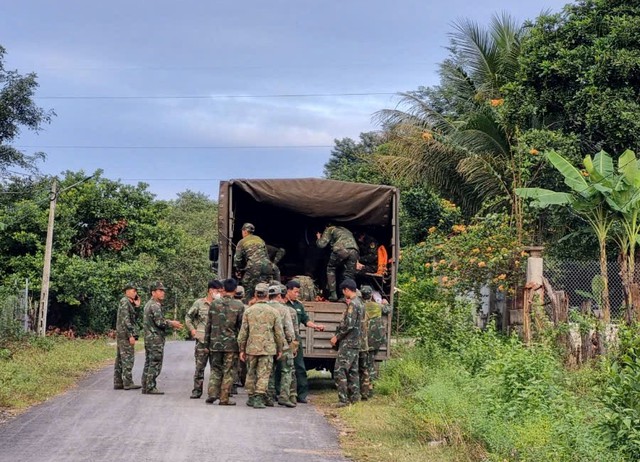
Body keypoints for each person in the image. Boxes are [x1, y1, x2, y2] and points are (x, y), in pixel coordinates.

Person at [237, 282, 285, 409]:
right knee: (264, 374)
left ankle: (251, 397)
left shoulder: (248, 311)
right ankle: (259, 398)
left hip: (251, 348)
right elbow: (278, 333)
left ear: (255, 294)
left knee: (251, 372)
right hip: (267, 349)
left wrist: (241, 349)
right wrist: (280, 348)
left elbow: (243, 332)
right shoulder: (274, 312)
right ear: (268, 295)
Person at [203, 278, 245, 405]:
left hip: (214, 344)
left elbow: (208, 325)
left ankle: (212, 393)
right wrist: (242, 346)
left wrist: (206, 344)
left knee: (215, 369)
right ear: (235, 290)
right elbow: (241, 327)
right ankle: (224, 398)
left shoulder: (214, 304)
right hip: (231, 345)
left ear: (224, 289)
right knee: (228, 371)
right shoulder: (239, 305)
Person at [284, 279, 325, 403]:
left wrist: (315, 326)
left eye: (298, 292)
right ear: (288, 291)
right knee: (282, 367)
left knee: (299, 367)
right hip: (283, 340)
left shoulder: (298, 305)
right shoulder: (282, 305)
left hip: (295, 341)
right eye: (295, 292)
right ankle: (281, 393)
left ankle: (301, 394)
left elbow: (305, 320)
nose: (297, 294)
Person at [141, 282, 183, 395]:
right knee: (155, 362)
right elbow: (160, 322)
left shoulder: (148, 304)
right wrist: (172, 323)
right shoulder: (154, 305)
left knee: (149, 362)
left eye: (163, 290)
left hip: (149, 338)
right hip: (155, 339)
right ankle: (150, 387)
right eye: (160, 291)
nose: (162, 293)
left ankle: (145, 385)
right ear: (153, 292)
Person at [185, 279, 223, 399]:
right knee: (199, 367)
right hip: (201, 340)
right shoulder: (199, 303)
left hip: (215, 341)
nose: (220, 293)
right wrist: (192, 329)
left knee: (216, 368)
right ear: (211, 290)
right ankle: (197, 390)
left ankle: (214, 392)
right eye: (218, 291)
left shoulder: (221, 304)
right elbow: (188, 317)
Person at [330, 278, 364, 407]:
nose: (344, 294)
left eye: (343, 291)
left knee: (340, 370)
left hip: (348, 342)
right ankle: (355, 398)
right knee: (353, 371)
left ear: (347, 290)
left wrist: (336, 337)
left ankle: (343, 400)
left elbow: (349, 325)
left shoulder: (353, 304)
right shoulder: (361, 303)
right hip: (356, 342)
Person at [266, 284, 297, 408]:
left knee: (269, 372)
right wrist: (291, 343)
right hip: (283, 345)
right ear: (279, 295)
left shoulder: (264, 308)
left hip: (268, 345)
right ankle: (284, 397)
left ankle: (269, 397)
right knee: (286, 371)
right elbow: (289, 329)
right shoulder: (285, 309)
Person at [359, 285, 391, 399]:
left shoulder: (361, 306)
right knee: (371, 363)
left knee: (362, 364)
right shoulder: (378, 306)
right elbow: (388, 309)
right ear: (371, 295)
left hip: (364, 339)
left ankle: (362, 387)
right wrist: (385, 303)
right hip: (376, 339)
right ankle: (370, 387)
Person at [316, 224, 359, 301]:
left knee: (330, 269)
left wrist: (319, 238)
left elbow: (321, 245)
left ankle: (333, 295)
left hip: (341, 249)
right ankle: (345, 296)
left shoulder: (329, 229)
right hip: (354, 251)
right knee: (348, 274)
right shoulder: (346, 230)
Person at [114, 283, 142, 390]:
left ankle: (118, 382)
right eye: (133, 290)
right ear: (127, 291)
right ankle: (127, 382)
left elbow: (133, 318)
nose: (135, 293)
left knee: (120, 358)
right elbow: (126, 320)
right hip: (125, 334)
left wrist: (137, 306)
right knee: (128, 358)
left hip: (122, 333)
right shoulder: (125, 301)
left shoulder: (128, 302)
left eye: (136, 291)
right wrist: (130, 335)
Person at [233, 223, 271, 301]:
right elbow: (266, 255)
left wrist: (239, 270)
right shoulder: (260, 239)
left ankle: (247, 304)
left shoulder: (242, 242)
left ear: (244, 231)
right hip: (267, 266)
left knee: (247, 285)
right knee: (264, 287)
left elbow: (237, 260)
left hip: (254, 267)